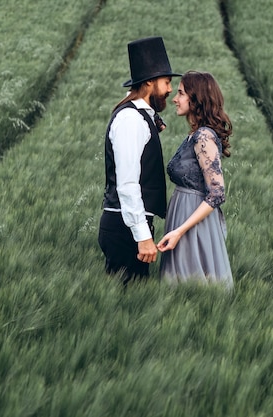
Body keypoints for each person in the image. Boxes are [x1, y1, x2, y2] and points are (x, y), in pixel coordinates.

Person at [98, 36, 181, 284]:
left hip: (128, 225)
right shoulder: (131, 120)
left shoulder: (139, 117)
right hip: (125, 228)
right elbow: (128, 184)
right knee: (125, 306)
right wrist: (142, 236)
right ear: (149, 83)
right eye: (166, 82)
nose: (169, 89)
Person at [157, 70, 234, 289]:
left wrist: (180, 231)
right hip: (182, 215)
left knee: (191, 284)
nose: (175, 98)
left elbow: (217, 193)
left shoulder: (203, 137)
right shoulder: (194, 135)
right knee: (182, 285)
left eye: (181, 93)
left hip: (192, 221)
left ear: (197, 99)